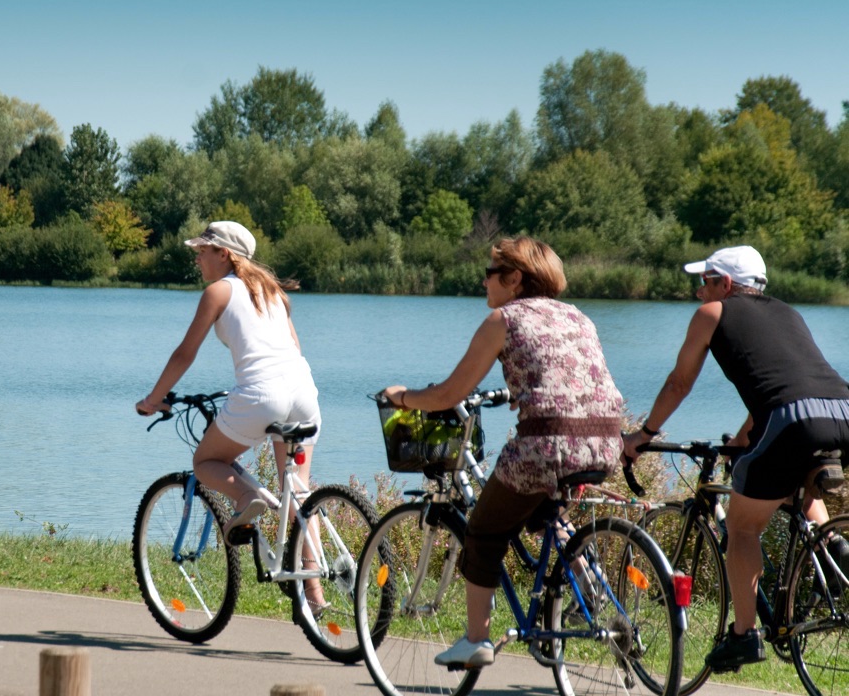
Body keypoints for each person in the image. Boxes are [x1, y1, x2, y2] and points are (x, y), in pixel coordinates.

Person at [381, 236, 624, 668]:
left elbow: (450, 393)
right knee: (546, 515)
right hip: (605, 441)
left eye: (490, 273)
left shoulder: (503, 320)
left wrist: (402, 397)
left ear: (514, 279)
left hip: (547, 445)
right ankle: (591, 592)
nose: (484, 281)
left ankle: (477, 639)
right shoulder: (578, 316)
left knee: (483, 531)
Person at [621, 245, 849, 672]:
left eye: (705, 282)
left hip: (793, 420)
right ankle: (834, 549)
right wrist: (745, 439)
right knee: (785, 478)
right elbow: (781, 385)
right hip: (841, 411)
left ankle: (744, 634)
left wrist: (643, 434)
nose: (699, 293)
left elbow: (678, 383)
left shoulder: (713, 313)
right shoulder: (788, 313)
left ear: (725, 284)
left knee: (743, 528)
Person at [135, 220, 325, 602]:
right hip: (304, 392)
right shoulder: (272, 290)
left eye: (202, 251)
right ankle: (315, 588)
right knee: (299, 495)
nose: (197, 259)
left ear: (224, 254)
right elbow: (294, 348)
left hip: (261, 395)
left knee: (206, 460)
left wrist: (153, 399)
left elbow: (184, 353)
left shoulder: (218, 291)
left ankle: (245, 500)